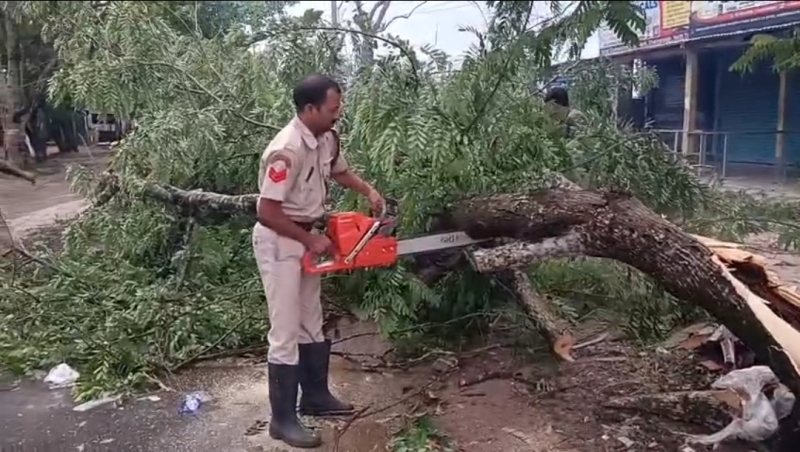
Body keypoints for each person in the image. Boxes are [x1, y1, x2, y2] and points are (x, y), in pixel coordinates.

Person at [253, 75, 384, 449]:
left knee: (311, 322)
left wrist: (367, 189)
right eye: (332, 109)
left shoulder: (326, 137)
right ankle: (282, 420)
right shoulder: (286, 149)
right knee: (285, 330)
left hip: (308, 237)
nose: (337, 114)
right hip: (280, 240)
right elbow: (267, 211)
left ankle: (315, 397)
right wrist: (311, 239)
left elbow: (338, 170)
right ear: (310, 109)